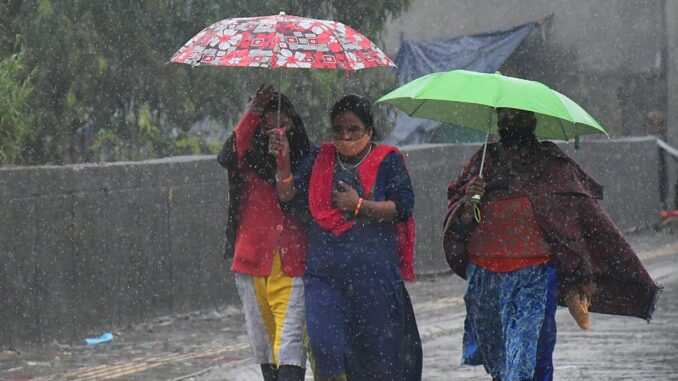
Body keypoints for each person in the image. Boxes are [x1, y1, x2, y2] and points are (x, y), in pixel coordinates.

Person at [443, 108, 660, 381]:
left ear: (532, 121)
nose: (510, 120)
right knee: (498, 359)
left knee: (527, 358)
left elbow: (578, 212)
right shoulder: (484, 162)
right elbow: (461, 217)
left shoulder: (551, 162)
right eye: (504, 115)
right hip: (485, 278)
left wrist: (581, 272)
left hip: (533, 276)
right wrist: (469, 201)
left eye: (518, 115)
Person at [270, 94, 422, 381]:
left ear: (369, 130)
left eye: (353, 129)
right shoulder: (320, 158)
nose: (345, 136)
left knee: (375, 362)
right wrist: (283, 161)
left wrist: (360, 206)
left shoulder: (388, 160)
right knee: (325, 350)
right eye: (338, 130)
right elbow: (288, 198)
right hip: (324, 278)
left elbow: (402, 208)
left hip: (374, 280)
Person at [217, 84, 312, 381]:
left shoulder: (308, 162)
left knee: (290, 347)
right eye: (267, 126)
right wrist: (252, 113)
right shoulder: (245, 161)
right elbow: (228, 153)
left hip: (292, 264)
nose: (275, 132)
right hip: (250, 262)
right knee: (265, 351)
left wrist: (283, 162)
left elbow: (297, 201)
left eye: (282, 125)